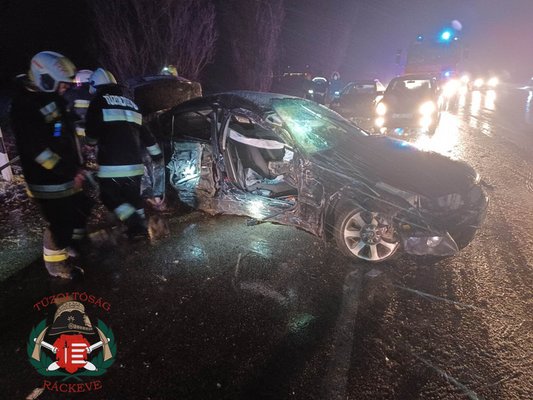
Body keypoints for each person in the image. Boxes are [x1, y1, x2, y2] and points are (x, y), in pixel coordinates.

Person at [10, 51, 93, 279]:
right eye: (62, 84)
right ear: (44, 79)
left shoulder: (49, 96)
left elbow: (61, 129)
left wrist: (77, 163)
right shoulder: (25, 106)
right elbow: (38, 151)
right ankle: (57, 265)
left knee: (80, 208)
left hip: (66, 173)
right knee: (60, 222)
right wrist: (70, 170)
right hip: (47, 180)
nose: (65, 89)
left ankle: (72, 245)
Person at [85, 68, 163, 240]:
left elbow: (91, 133)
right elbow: (146, 134)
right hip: (135, 166)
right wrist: (157, 155)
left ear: (95, 86)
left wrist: (89, 145)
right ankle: (140, 230)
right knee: (134, 198)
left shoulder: (98, 102)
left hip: (112, 166)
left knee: (110, 197)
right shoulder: (132, 104)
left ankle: (135, 224)